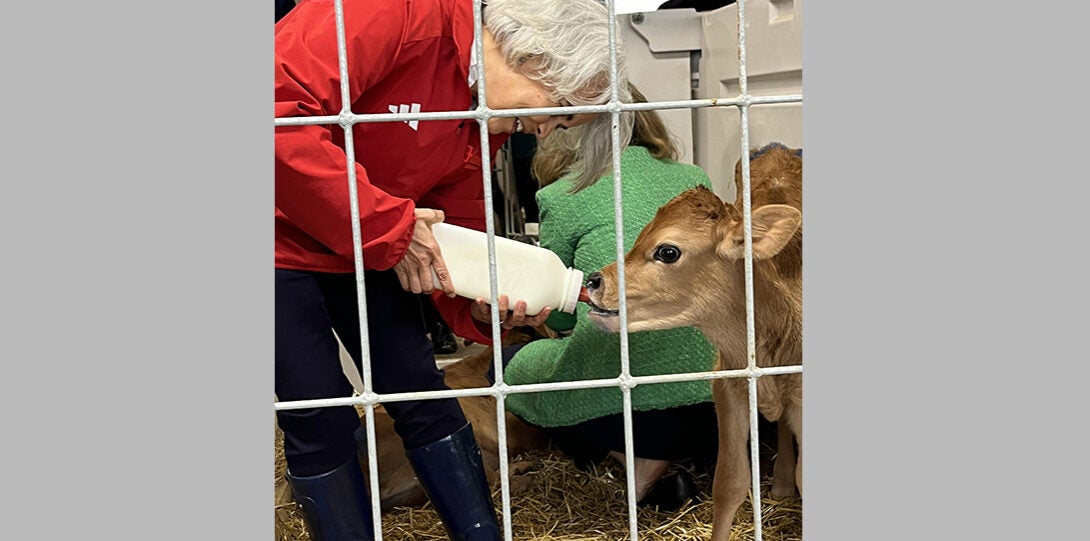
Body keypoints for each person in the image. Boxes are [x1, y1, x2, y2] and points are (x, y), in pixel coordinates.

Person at [274, 1, 633, 539]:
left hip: (369, 239)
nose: (542, 131)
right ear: (534, 55)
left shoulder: (482, 112)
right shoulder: (392, 14)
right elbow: (275, 117)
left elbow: (455, 223)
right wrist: (391, 226)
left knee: (421, 391)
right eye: (557, 111)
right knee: (317, 412)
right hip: (280, 239)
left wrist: (479, 301)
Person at [496, 85, 720, 511]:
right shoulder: (695, 181)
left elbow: (562, 311)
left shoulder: (561, 196)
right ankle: (667, 458)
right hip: (717, 406)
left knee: (505, 367)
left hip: (632, 415)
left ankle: (636, 458)